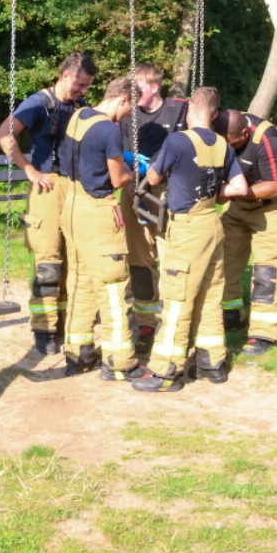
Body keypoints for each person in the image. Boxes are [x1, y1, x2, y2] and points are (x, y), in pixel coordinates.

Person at [133, 87, 248, 392]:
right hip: (213, 223)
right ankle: (212, 364)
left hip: (186, 229)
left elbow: (154, 179)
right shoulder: (223, 145)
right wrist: (211, 195)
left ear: (191, 110)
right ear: (213, 114)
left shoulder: (178, 140)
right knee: (210, 295)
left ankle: (165, 372)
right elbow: (240, 188)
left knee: (177, 298)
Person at [0, 52, 96, 354]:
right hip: (47, 188)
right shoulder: (38, 103)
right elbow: (3, 135)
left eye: (87, 86)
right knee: (48, 261)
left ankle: (64, 321)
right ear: (65, 75)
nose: (82, 90)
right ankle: (44, 328)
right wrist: (29, 169)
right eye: (80, 84)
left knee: (73, 260)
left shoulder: (82, 107)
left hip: (76, 188)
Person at [56, 76, 145, 380]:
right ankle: (121, 361)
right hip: (97, 212)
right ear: (122, 99)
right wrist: (137, 171)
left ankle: (78, 353)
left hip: (72, 206)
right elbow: (118, 180)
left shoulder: (79, 116)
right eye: (131, 108)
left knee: (80, 280)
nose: (130, 114)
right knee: (112, 284)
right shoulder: (110, 130)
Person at [118, 63, 189, 355]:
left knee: (170, 255)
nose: (133, 95)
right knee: (138, 258)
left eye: (140, 88)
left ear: (155, 86)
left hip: (166, 190)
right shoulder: (127, 118)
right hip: (133, 188)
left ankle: (173, 322)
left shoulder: (178, 111)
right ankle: (146, 321)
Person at [218, 109, 277, 356]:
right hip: (238, 201)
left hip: (271, 206)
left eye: (232, 145)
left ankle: (265, 332)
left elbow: (273, 187)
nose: (228, 150)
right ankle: (230, 313)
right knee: (224, 257)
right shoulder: (220, 130)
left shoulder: (267, 139)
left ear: (244, 133)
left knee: (267, 268)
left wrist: (233, 192)